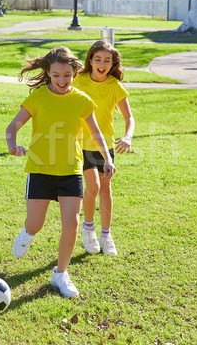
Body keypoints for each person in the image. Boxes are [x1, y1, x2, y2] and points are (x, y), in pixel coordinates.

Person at [6, 46, 115, 298]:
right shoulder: (37, 98)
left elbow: (97, 133)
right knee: (36, 223)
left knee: (72, 223)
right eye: (56, 76)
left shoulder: (81, 100)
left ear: (74, 72)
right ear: (49, 73)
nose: (62, 81)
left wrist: (107, 158)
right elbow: (14, 125)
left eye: (67, 75)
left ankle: (61, 273)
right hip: (40, 169)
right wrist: (12, 144)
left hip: (71, 170)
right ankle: (28, 233)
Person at [74, 40, 135, 256]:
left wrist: (127, 136)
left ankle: (106, 234)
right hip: (80, 143)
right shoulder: (77, 79)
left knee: (105, 188)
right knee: (94, 186)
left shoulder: (114, 86)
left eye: (107, 60)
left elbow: (129, 117)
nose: (102, 64)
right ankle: (88, 228)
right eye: (97, 59)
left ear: (112, 64)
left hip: (105, 145)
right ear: (90, 60)